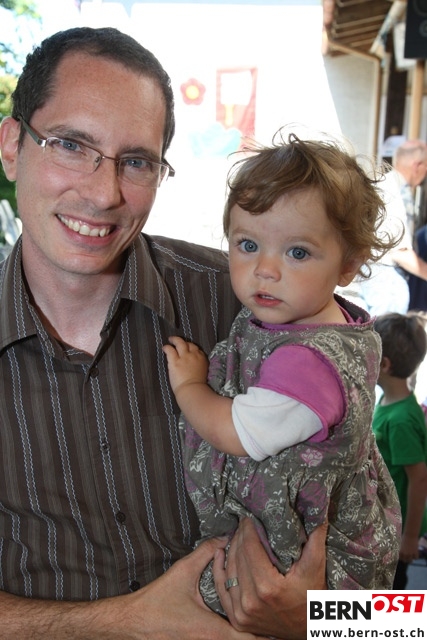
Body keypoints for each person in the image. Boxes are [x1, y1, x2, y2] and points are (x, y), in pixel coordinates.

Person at [0, 26, 328, 640]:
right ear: (12, 146)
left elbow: (400, 619)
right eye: (70, 145)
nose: (102, 194)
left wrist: (315, 620)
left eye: (136, 162)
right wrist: (124, 623)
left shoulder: (261, 308)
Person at [163, 132, 402, 614]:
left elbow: (236, 433)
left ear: (348, 265)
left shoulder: (307, 363)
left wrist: (188, 385)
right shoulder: (306, 316)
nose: (265, 270)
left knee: (205, 600)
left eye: (297, 252)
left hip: (308, 560)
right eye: (248, 244)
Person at [372, 312, 427, 589]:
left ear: (384, 364)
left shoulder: (400, 420)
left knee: (391, 587)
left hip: (397, 528)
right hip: (385, 519)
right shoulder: (389, 400)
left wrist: (410, 537)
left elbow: (419, 479)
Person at [358, 139, 427, 316]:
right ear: (417, 165)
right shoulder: (395, 192)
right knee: (386, 332)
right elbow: (399, 251)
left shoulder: (384, 185)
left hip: (375, 276)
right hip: (386, 280)